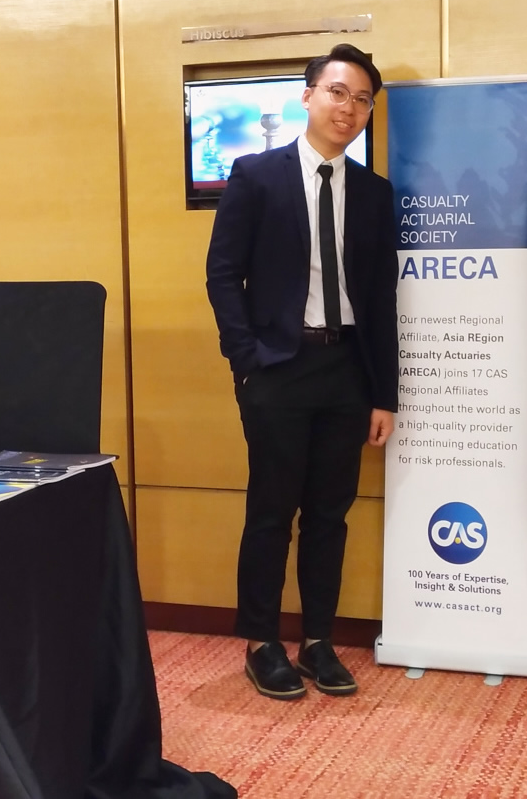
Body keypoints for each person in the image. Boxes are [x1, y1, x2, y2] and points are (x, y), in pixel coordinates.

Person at [204, 43, 398, 700]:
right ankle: (262, 642)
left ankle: (318, 641)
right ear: (308, 96)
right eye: (338, 92)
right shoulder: (256, 175)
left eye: (362, 99)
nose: (349, 107)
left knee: (329, 515)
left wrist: (384, 393)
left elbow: (381, 299)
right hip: (279, 369)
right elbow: (223, 275)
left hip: (348, 369)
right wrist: (247, 360)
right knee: (270, 510)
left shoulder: (374, 193)